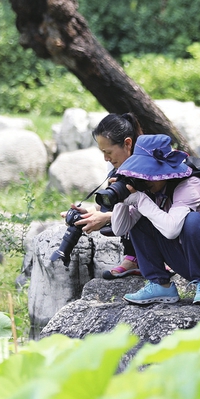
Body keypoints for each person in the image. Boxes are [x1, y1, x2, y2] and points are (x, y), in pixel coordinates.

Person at [111, 134, 200, 305]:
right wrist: (120, 199)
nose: (144, 178)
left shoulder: (189, 186)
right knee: (140, 221)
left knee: (192, 220)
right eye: (141, 173)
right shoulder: (150, 192)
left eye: (149, 173)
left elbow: (172, 229)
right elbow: (120, 229)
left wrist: (139, 200)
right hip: (190, 261)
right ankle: (161, 285)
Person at [65, 112, 142, 279]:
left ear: (127, 143)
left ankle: (155, 257)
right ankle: (133, 256)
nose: (106, 158)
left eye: (108, 152)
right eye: (102, 152)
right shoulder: (117, 164)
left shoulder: (148, 164)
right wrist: (90, 211)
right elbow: (116, 196)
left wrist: (107, 217)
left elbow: (149, 207)